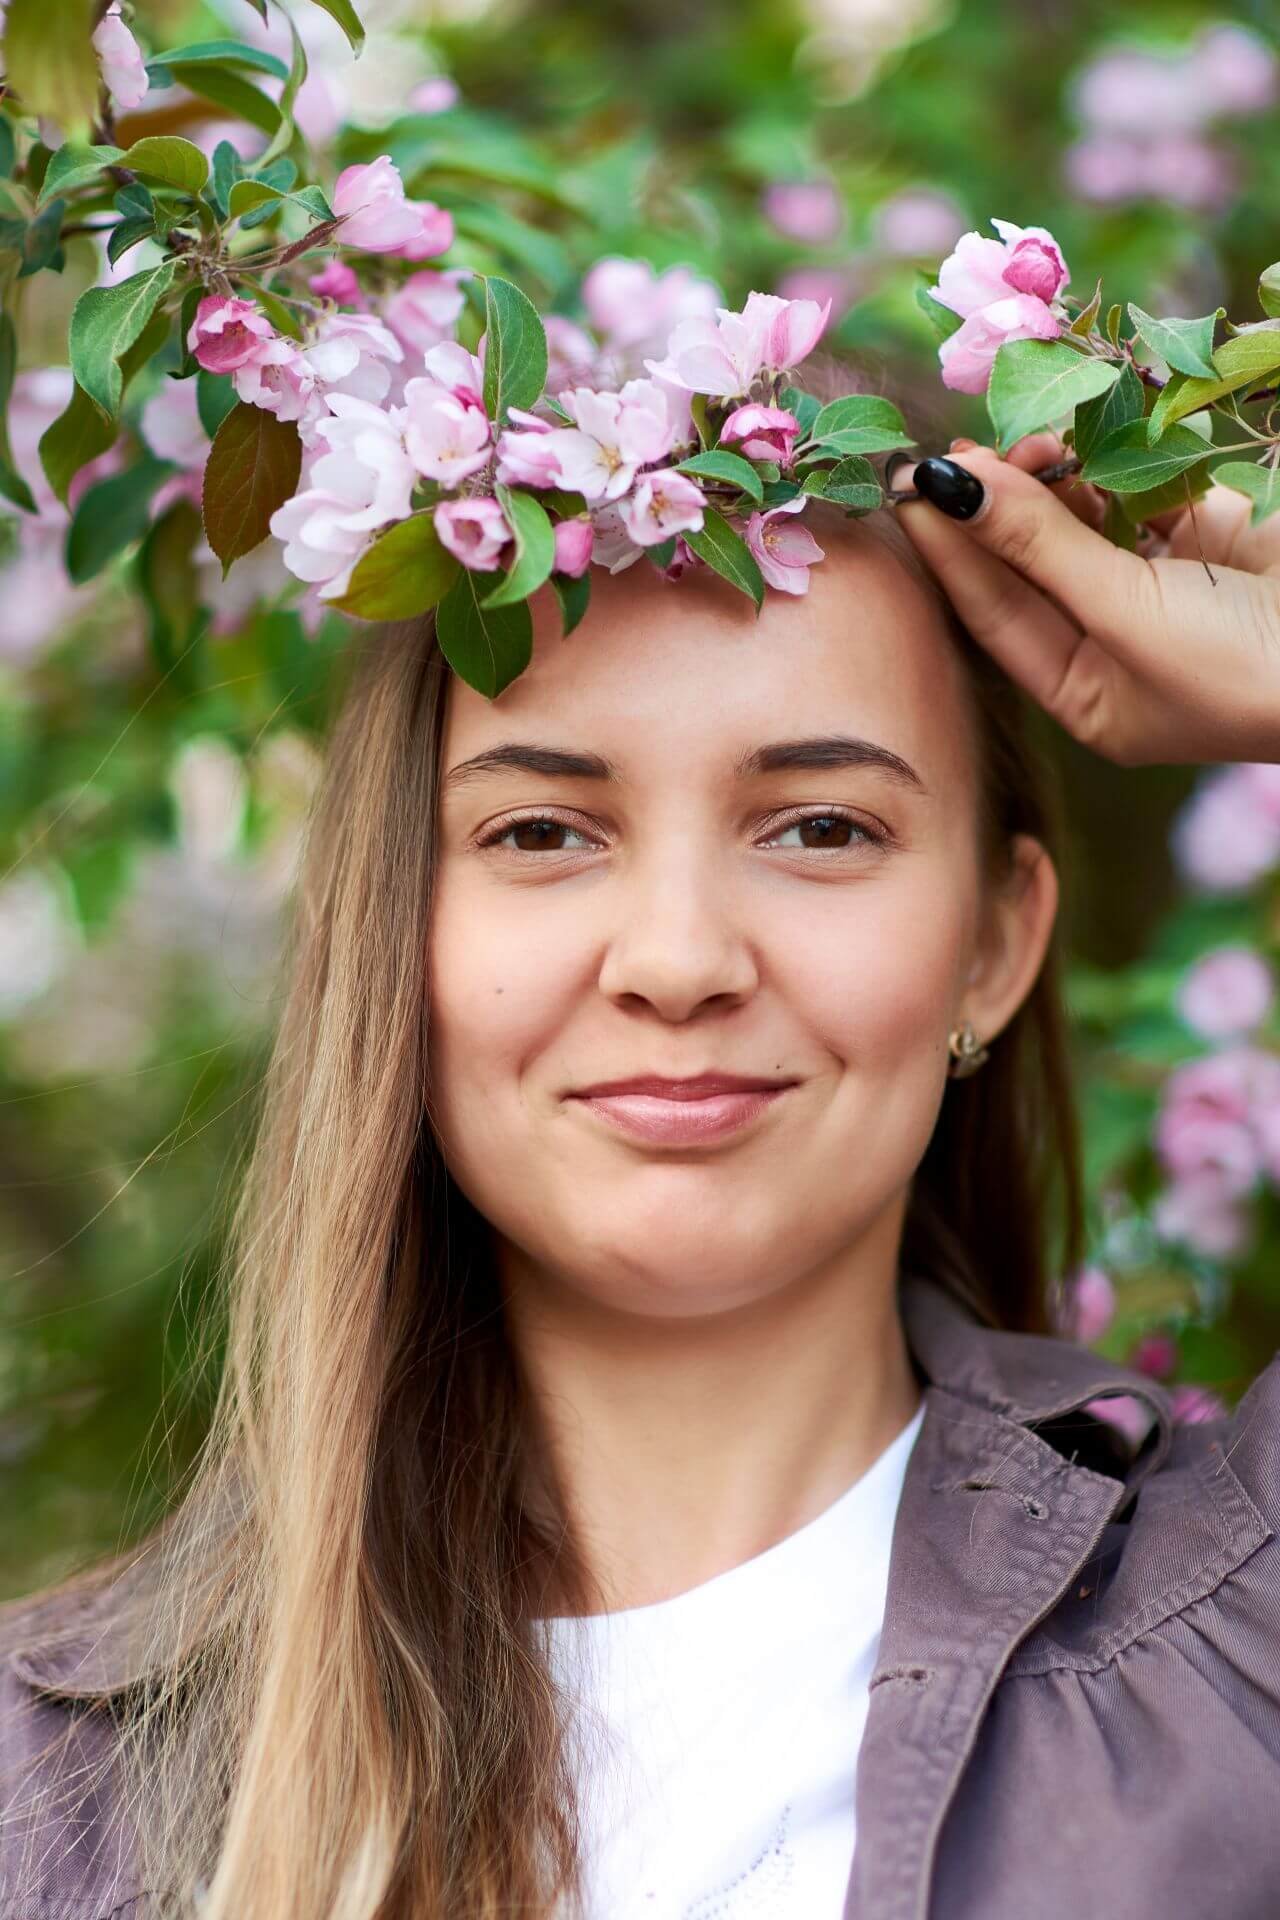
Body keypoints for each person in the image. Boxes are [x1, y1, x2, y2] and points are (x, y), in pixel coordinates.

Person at [2, 439, 1278, 1920]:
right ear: (390, 928)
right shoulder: (43, 1793)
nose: (677, 962)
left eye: (821, 828)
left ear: (993, 946)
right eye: (542, 832)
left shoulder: (1241, 1650)